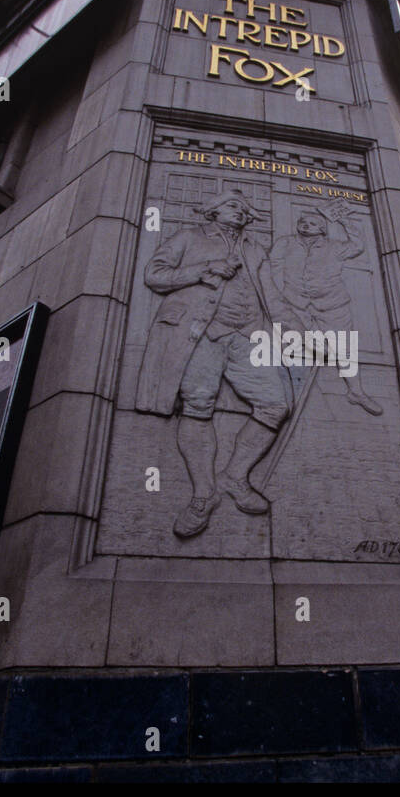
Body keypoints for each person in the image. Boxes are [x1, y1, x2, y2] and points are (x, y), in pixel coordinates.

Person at [135, 189, 306, 538]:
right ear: (213, 210)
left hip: (247, 335)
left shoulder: (255, 249)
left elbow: (270, 293)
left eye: (245, 209)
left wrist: (293, 327)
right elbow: (155, 274)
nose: (241, 212)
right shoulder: (189, 237)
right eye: (233, 205)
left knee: (277, 404)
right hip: (199, 333)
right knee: (198, 405)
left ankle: (235, 476)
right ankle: (202, 494)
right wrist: (204, 269)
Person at [269, 203, 382, 415]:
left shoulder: (336, 246)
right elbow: (274, 268)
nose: (306, 225)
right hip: (294, 302)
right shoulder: (285, 243)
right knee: (288, 345)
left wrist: (344, 220)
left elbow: (358, 245)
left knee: (343, 347)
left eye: (313, 223)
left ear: (322, 228)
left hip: (332, 304)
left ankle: (356, 391)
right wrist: (279, 296)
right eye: (303, 222)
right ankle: (286, 394)